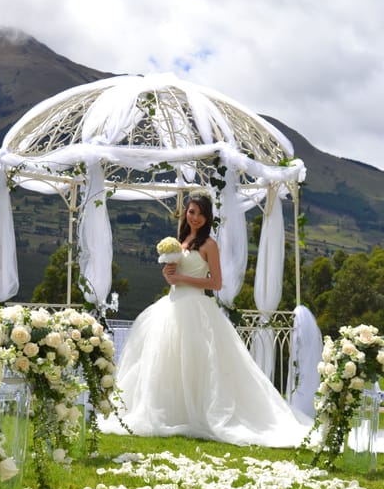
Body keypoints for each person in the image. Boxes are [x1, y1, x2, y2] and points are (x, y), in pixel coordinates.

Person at [100, 192, 313, 447]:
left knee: (198, 362)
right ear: (185, 213)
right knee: (167, 359)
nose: (196, 218)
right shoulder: (181, 240)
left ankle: (201, 412)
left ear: (208, 217)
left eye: (201, 214)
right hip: (172, 305)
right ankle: (172, 412)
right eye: (192, 212)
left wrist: (181, 279)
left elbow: (216, 282)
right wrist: (169, 272)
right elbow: (177, 273)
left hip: (196, 307)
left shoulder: (209, 244)